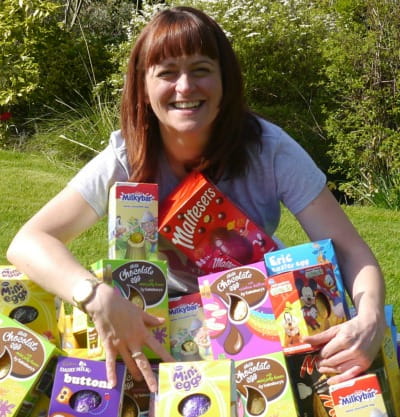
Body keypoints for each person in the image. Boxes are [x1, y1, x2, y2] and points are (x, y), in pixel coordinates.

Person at [7, 6, 385, 392]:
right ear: (144, 86)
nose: (185, 87)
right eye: (167, 73)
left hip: (260, 309)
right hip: (163, 313)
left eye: (201, 69)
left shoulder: (269, 149)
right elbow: (30, 241)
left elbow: (350, 249)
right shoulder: (128, 156)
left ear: (225, 81)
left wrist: (370, 318)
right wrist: (95, 296)